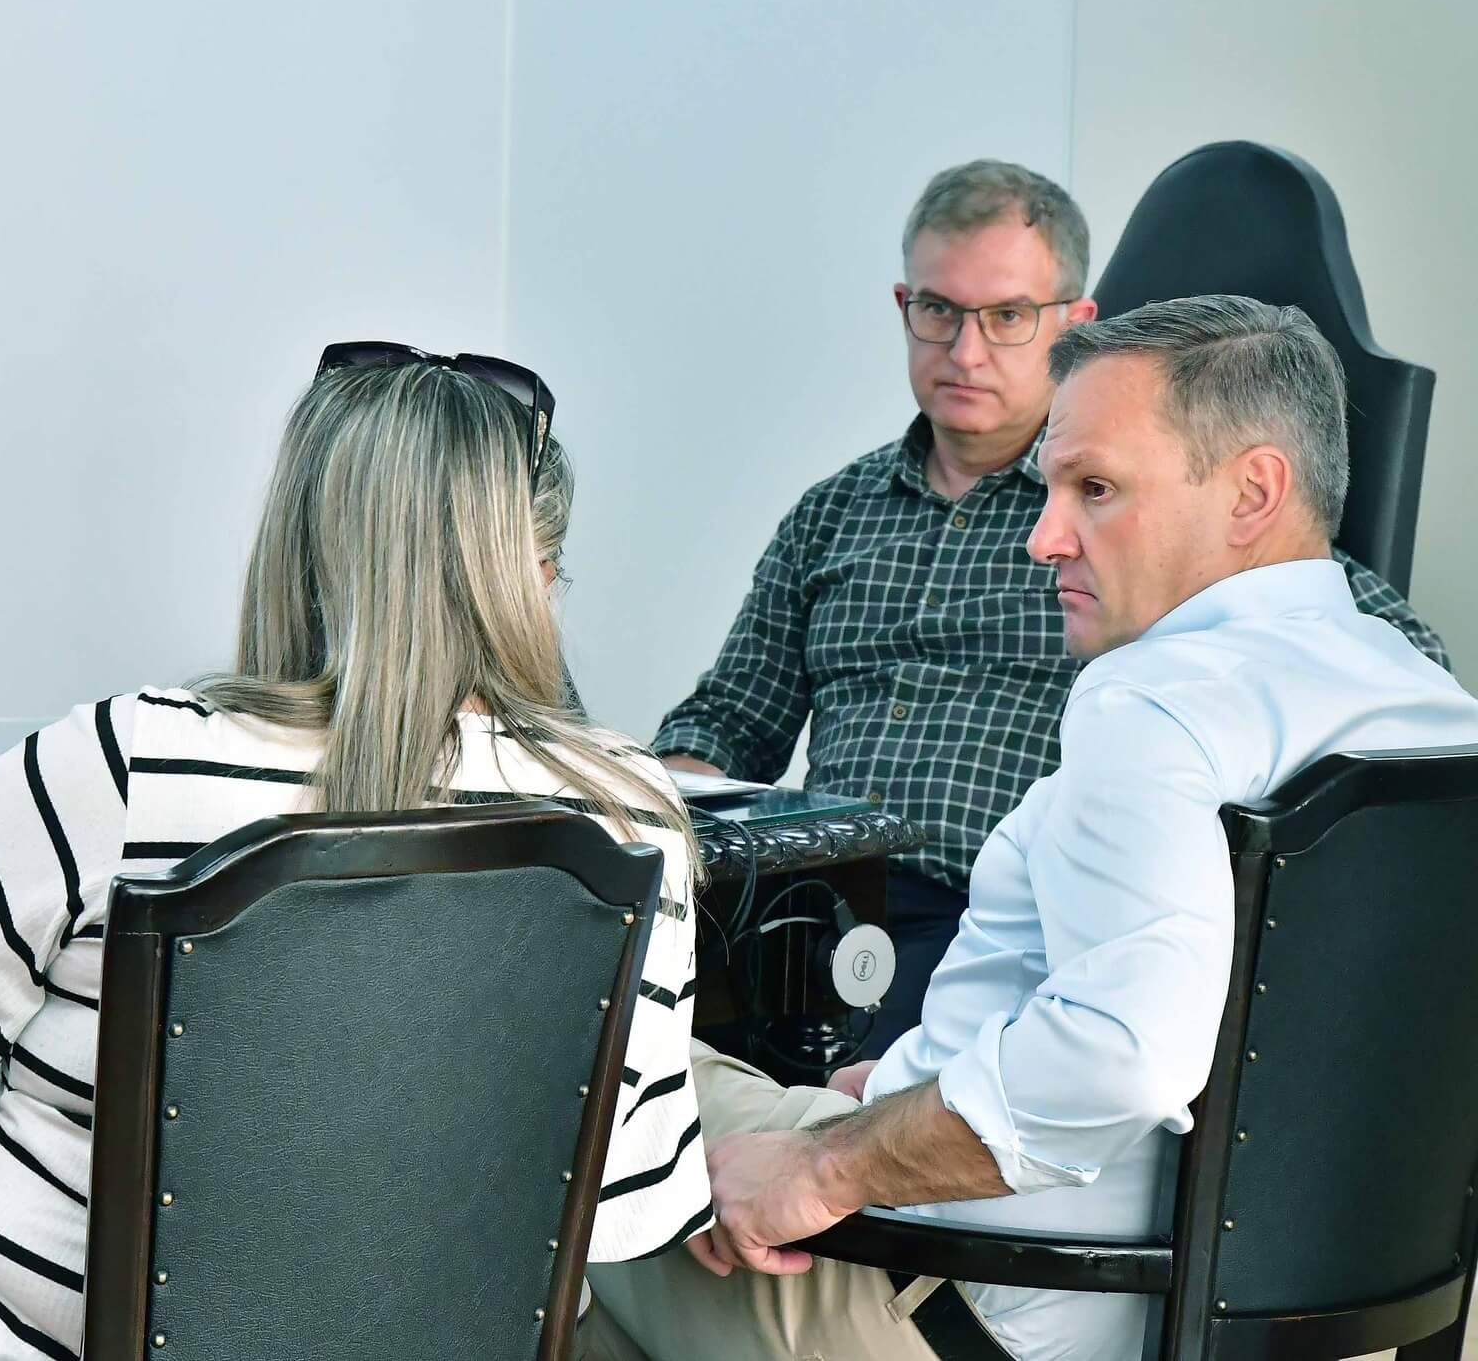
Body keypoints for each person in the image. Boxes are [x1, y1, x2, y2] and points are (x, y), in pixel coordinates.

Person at [0, 348, 714, 1356]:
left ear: (301, 545)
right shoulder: (633, 818)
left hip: (25, 1334)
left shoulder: (131, 759)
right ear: (535, 574)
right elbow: (619, 1202)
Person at [581, 295, 1478, 1361]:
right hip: (1317, 1327)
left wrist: (828, 1165)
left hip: (982, 1305)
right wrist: (906, 1090)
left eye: (1094, 489)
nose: (1042, 538)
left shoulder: (1156, 705)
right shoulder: (1433, 710)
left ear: (1252, 490)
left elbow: (1125, 1058)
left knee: (572, 1092)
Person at [653, 159, 1444, 1056]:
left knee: (774, 1106)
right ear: (905, 305)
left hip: (998, 928)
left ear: (1074, 324)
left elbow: (1353, 637)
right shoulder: (832, 513)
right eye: (939, 311)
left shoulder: (1133, 517)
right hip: (807, 911)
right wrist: (649, 839)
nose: (965, 351)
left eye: (1006, 317)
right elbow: (730, 721)